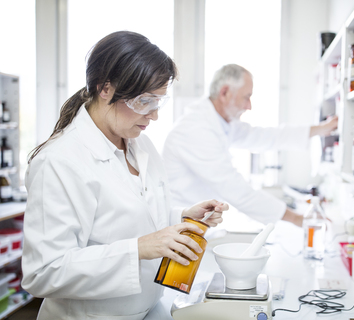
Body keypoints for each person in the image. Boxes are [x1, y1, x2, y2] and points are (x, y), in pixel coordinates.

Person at [21, 31, 228, 319]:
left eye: (158, 101)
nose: (153, 115)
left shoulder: (139, 144)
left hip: (150, 308)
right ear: (105, 89)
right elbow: (44, 272)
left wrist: (181, 218)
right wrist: (140, 248)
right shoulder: (59, 161)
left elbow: (125, 218)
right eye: (145, 101)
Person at [162, 64, 337, 227]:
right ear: (224, 93)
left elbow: (264, 136)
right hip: (181, 226)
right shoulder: (196, 129)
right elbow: (235, 188)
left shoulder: (222, 122)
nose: (249, 106)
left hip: (199, 225)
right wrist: (298, 219)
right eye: (247, 97)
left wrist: (320, 129)